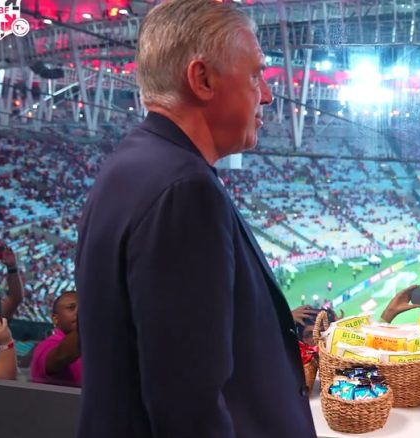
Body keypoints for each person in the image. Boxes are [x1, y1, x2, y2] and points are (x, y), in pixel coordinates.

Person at [73, 0, 314, 436]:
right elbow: (189, 406)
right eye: (255, 74)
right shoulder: (184, 192)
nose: (267, 94)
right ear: (202, 79)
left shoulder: (131, 164)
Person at [30, 291, 82, 387]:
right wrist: (87, 322)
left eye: (83, 307)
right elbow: (60, 357)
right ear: (55, 319)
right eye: (71, 308)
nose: (79, 312)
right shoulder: (46, 345)